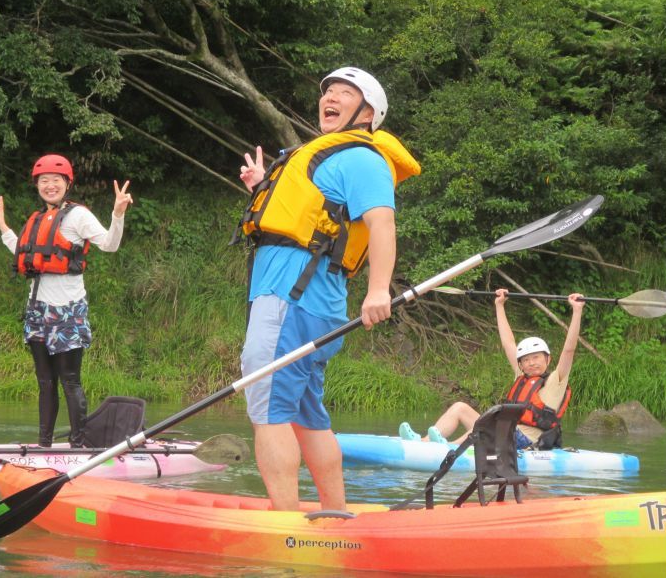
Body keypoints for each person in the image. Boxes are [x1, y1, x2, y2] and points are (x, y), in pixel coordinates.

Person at [236, 67, 421, 511]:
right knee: (306, 417)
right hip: (305, 304)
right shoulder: (331, 157)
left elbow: (382, 223)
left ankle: (285, 525)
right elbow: (315, 221)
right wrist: (263, 187)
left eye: (344, 92)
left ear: (369, 112)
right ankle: (334, 515)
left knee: (268, 411)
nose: (330, 98)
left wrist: (379, 290)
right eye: (328, 92)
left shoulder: (362, 157)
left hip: (291, 300)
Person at [0, 154, 133, 447]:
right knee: (44, 383)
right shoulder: (37, 218)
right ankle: (44, 445)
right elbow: (24, 252)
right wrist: (3, 226)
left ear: (67, 183)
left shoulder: (78, 215)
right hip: (37, 309)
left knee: (70, 380)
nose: (49, 185)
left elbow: (110, 244)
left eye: (56, 180)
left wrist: (118, 213)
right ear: (37, 185)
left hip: (68, 310)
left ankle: (78, 445)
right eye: (44, 181)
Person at [400, 288, 585, 449]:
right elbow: (508, 342)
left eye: (536, 358)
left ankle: (450, 448)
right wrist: (499, 305)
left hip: (526, 441)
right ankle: (423, 443)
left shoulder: (556, 380)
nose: (531, 363)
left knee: (491, 423)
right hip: (505, 433)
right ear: (521, 364)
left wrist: (577, 312)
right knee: (459, 407)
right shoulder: (522, 375)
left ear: (548, 359)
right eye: (526, 360)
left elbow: (569, 349)